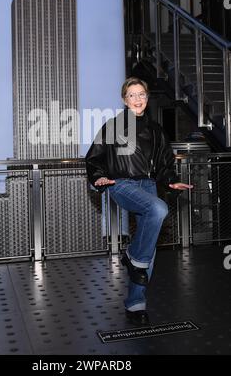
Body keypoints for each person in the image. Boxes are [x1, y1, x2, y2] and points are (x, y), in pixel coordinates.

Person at [85, 77, 193, 326]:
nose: (137, 99)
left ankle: (135, 303)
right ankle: (133, 254)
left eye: (141, 94)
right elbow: (94, 158)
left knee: (149, 252)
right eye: (132, 95)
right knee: (159, 208)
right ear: (124, 100)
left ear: (147, 97)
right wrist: (99, 177)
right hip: (121, 184)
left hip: (148, 185)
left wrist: (171, 180)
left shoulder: (156, 130)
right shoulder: (113, 126)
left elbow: (165, 163)